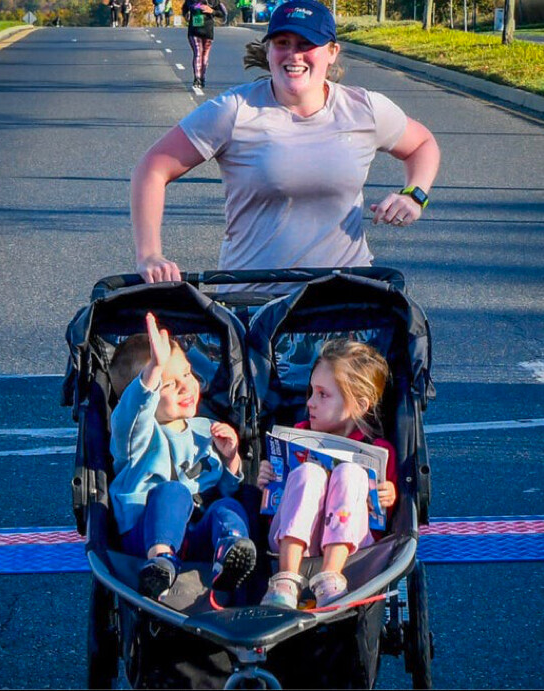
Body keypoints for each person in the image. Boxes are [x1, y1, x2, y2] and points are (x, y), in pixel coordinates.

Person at [131, 0, 440, 289]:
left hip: (343, 299)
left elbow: (422, 144)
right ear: (268, 51)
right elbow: (152, 168)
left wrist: (415, 194)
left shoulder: (363, 108)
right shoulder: (235, 110)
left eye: (306, 44)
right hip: (252, 298)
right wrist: (149, 255)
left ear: (332, 52)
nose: (294, 55)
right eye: (282, 43)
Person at [109, 312, 256, 599]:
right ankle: (160, 562)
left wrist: (230, 460)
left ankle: (230, 552)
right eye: (168, 384)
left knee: (227, 507)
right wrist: (154, 370)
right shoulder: (137, 438)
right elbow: (131, 413)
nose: (186, 386)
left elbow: (224, 489)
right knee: (173, 492)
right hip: (147, 533)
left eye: (187, 374)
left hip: (195, 533)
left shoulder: (205, 429)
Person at [256, 339, 398, 609]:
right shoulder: (297, 435)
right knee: (308, 472)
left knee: (351, 474)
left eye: (322, 395)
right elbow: (273, 502)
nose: (310, 402)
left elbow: (385, 521)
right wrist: (266, 478)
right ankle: (285, 579)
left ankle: (330, 576)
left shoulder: (378, 451)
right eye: (311, 392)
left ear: (359, 405)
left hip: (352, 546)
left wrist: (388, 496)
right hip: (293, 537)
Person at [182, 0, 226, 89]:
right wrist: (187, 15)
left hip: (207, 31)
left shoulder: (213, 1)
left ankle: (201, 77)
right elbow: (185, 8)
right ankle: (197, 78)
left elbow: (222, 13)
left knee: (204, 55)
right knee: (198, 53)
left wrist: (212, 11)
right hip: (194, 31)